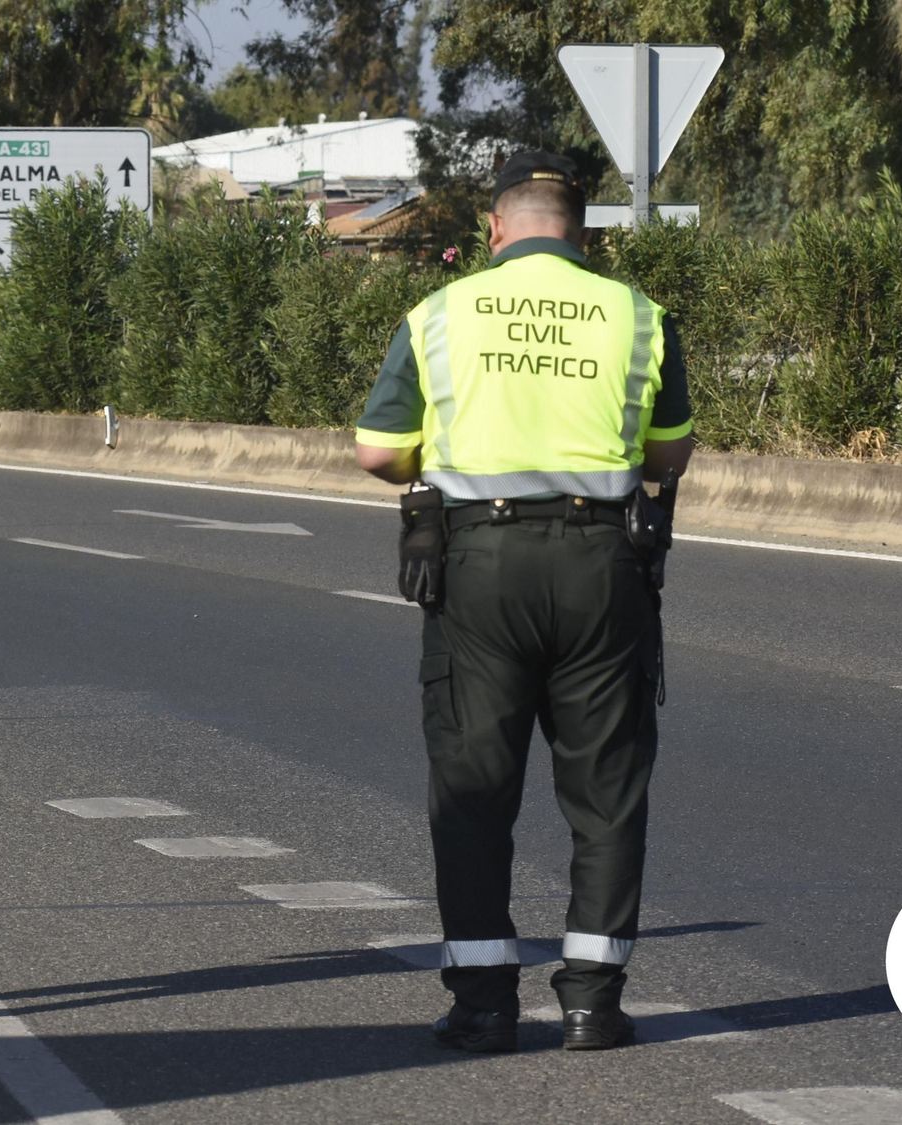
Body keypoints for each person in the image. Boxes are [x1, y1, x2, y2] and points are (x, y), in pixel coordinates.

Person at [353, 152, 694, 1053]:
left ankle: (484, 1005)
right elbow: (667, 456)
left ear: (496, 230)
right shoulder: (637, 315)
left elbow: (378, 451)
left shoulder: (439, 313)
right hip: (602, 565)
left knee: (474, 787)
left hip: (481, 565)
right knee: (608, 788)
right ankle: (593, 1002)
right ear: (583, 235)